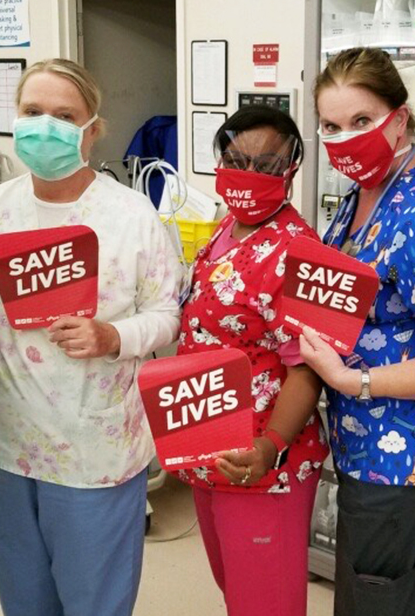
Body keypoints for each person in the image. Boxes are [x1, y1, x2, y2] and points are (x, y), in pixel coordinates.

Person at [0, 58, 182, 616]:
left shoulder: (131, 216)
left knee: (94, 602)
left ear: (92, 129)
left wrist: (114, 335)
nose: (44, 126)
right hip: (4, 441)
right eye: (32, 112)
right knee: (23, 599)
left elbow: (166, 313)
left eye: (64, 115)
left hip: (95, 448)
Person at [300, 46, 415, 616]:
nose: (345, 138)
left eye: (362, 121)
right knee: (399, 593)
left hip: (405, 453)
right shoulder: (363, 196)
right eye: (331, 126)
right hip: (367, 441)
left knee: (370, 601)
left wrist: (349, 380)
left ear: (399, 119)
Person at [173, 106, 328, 616]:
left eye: (266, 165)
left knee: (266, 604)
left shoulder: (297, 248)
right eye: (236, 159)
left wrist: (270, 446)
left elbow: (307, 367)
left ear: (291, 170)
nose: (248, 175)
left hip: (265, 463)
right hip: (210, 447)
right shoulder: (225, 232)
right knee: (239, 594)